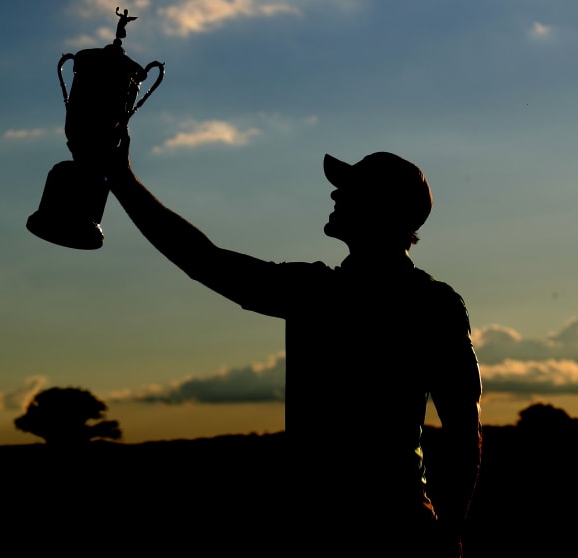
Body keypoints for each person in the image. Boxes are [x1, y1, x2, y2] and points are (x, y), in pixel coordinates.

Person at [103, 128, 482, 555]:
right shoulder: (432, 303)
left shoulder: (319, 293)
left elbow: (204, 261)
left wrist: (122, 179)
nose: (336, 197)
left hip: (336, 532)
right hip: (396, 526)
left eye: (349, 190)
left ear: (380, 209)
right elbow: (464, 433)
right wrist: (449, 532)